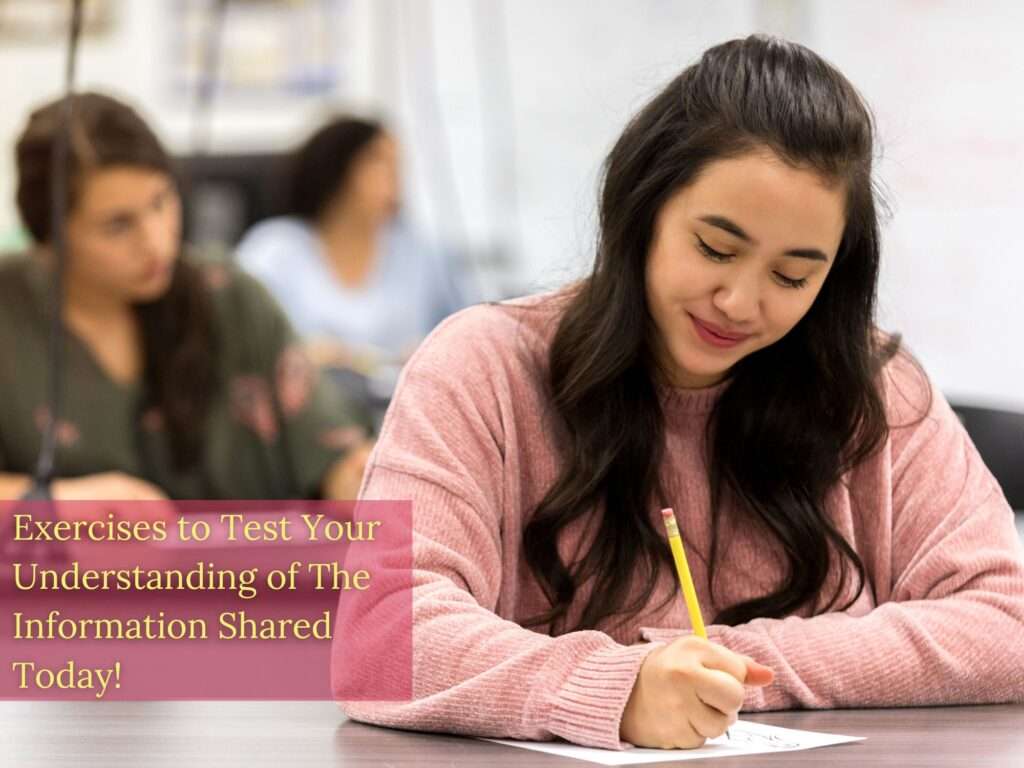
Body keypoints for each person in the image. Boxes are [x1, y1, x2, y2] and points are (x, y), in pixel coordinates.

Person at [333, 36, 1024, 750]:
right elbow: (383, 635)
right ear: (645, 206)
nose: (739, 301)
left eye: (792, 277)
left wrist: (728, 668)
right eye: (716, 249)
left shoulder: (874, 392)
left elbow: (1005, 622)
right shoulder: (483, 369)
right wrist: (618, 688)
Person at [0, 92, 372, 504]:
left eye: (162, 202)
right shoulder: (9, 311)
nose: (156, 242)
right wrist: (55, 504)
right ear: (48, 237)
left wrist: (358, 480)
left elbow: (333, 454)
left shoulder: (230, 298)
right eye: (118, 225)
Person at [235, 116, 472, 375]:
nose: (396, 179)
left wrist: (430, 355)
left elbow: (467, 340)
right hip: (305, 410)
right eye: (381, 163)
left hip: (401, 406)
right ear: (337, 169)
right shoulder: (273, 251)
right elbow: (241, 342)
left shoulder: (423, 254)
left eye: (398, 165)